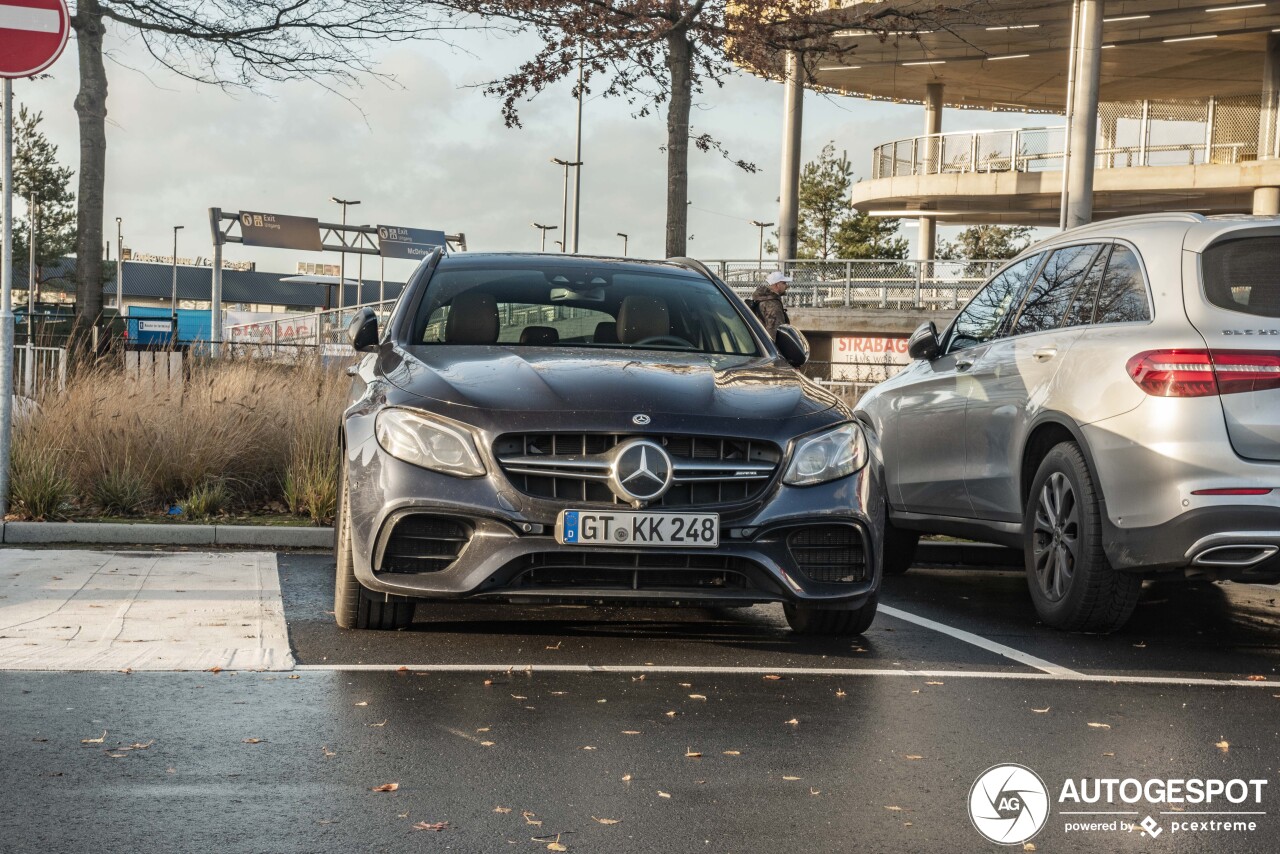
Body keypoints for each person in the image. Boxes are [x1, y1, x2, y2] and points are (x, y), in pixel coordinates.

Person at [751, 271, 792, 337]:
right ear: (777, 285)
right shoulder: (773, 305)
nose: (786, 286)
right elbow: (774, 331)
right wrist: (774, 346)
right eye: (784, 283)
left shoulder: (762, 299)